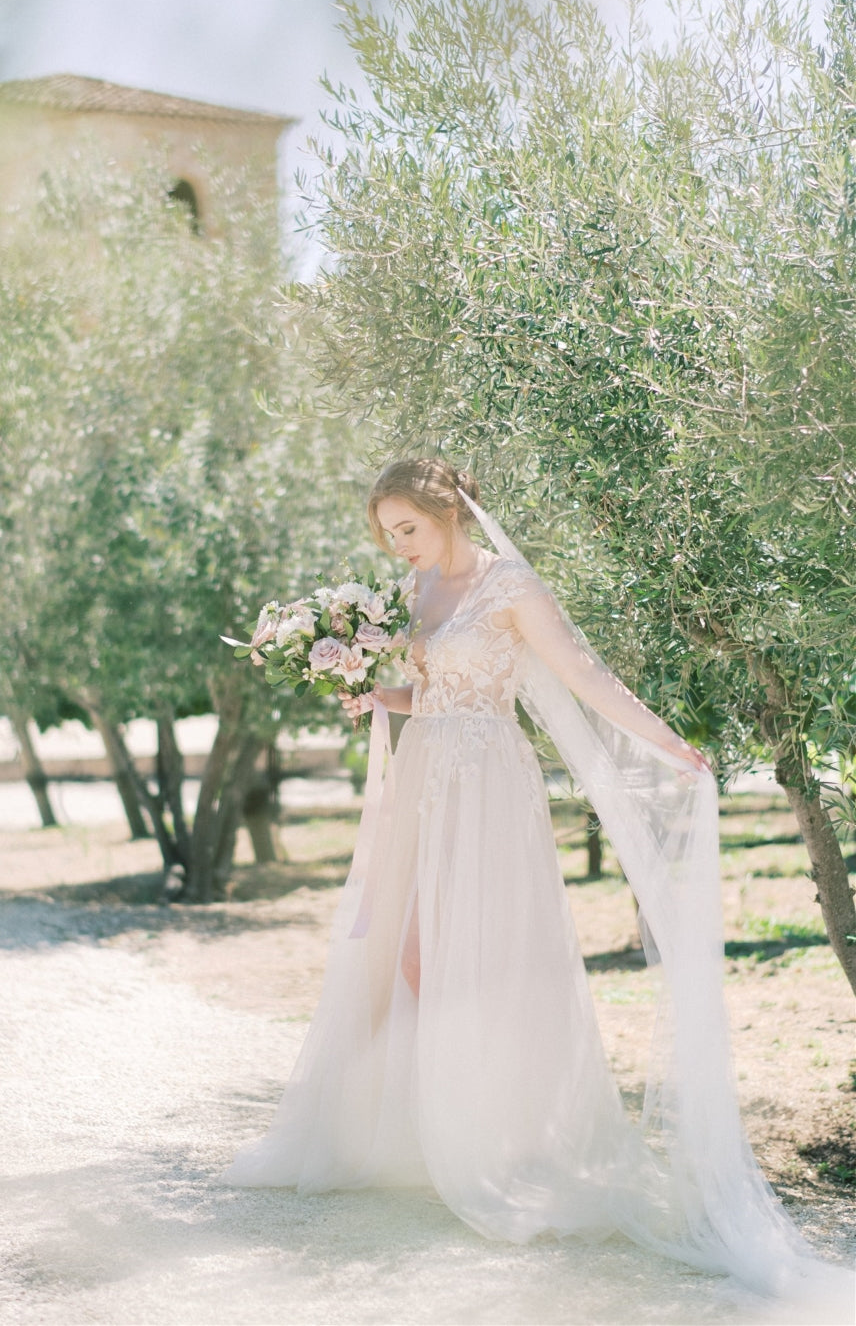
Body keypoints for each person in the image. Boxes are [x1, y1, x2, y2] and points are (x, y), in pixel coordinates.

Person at [224, 459, 849, 1308]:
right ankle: (419, 1132)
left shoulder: (508, 584)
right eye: (387, 534)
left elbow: (585, 677)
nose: (397, 546)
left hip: (488, 784)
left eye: (407, 528)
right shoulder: (413, 595)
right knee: (408, 951)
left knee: (487, 954)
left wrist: (668, 742)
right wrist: (379, 695)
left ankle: (502, 1142)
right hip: (425, 779)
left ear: (448, 511)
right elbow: (433, 690)